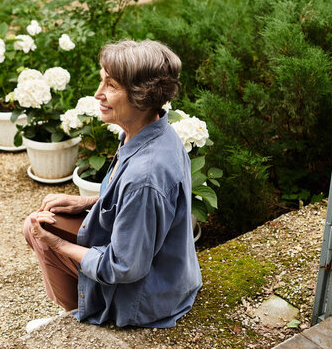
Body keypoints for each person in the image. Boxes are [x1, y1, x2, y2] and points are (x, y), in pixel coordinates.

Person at [22, 39, 202, 328]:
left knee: (39, 230)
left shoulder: (145, 174)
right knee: (42, 221)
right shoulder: (152, 132)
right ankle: (78, 307)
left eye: (111, 85)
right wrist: (87, 201)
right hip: (169, 272)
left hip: (146, 298)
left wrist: (56, 244)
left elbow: (123, 266)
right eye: (102, 81)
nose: (98, 94)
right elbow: (136, 205)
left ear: (142, 95)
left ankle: (77, 319)